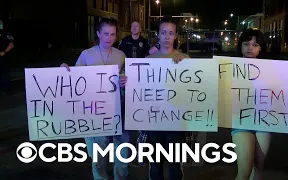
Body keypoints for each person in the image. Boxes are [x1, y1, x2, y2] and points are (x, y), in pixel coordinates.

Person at [232, 28, 288, 180]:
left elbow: (286, 87)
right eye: (246, 44)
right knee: (244, 170)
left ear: (261, 48)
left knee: (258, 166)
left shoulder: (272, 68)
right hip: (241, 122)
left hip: (264, 121)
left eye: (255, 45)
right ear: (240, 46)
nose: (250, 48)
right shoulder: (229, 67)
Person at [60, 18, 130, 180]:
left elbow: (131, 78)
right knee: (98, 158)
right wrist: (63, 71)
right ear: (98, 34)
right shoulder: (86, 55)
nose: (109, 38)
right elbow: (74, 79)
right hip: (93, 113)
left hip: (118, 111)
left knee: (122, 154)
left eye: (113, 34)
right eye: (106, 34)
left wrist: (125, 80)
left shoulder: (121, 55)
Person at [136, 18, 193, 180]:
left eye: (171, 33)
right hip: (154, 123)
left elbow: (194, 88)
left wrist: (184, 66)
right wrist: (128, 81)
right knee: (155, 166)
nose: (167, 36)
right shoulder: (148, 61)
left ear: (176, 36)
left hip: (175, 123)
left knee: (175, 165)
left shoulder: (185, 59)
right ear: (158, 36)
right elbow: (140, 89)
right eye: (163, 33)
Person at [0, 19, 14, 96]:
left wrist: (4, 52)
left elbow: (11, 45)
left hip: (3, 56)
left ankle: (7, 89)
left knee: (4, 73)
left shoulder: (6, 33)